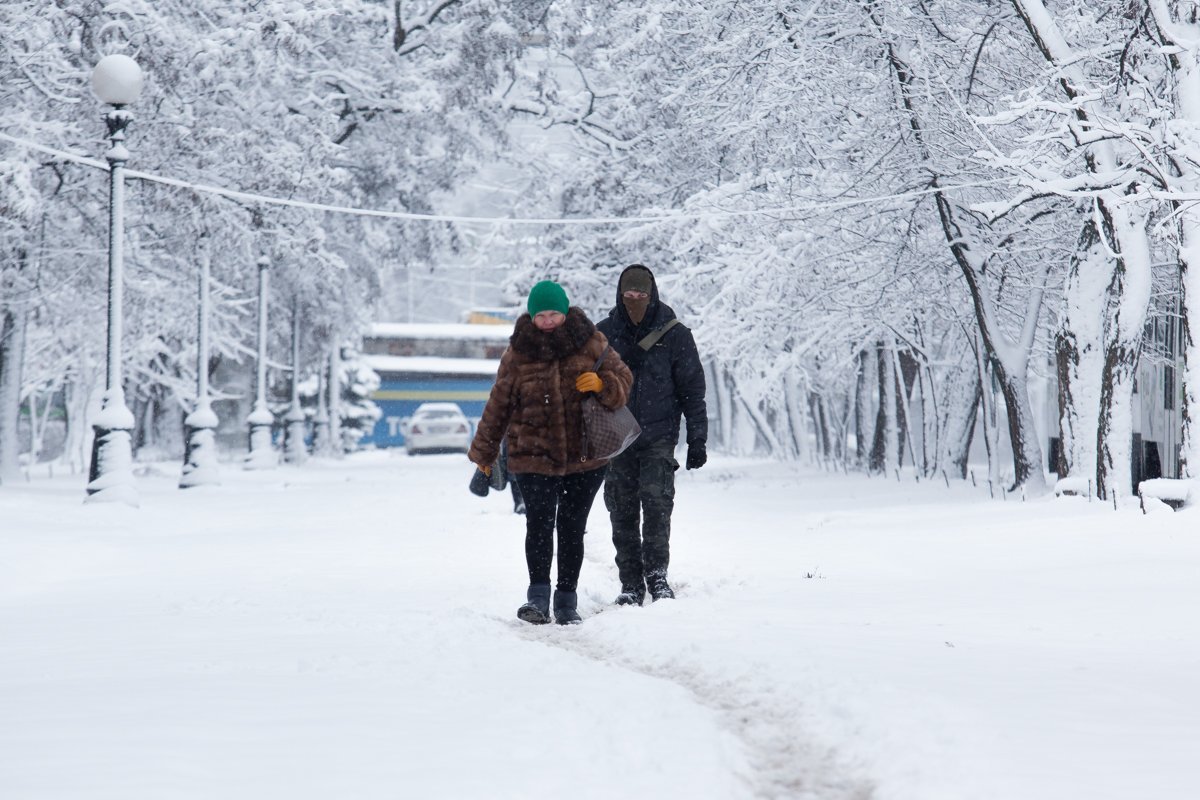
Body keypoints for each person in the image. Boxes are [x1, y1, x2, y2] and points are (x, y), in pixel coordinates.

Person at [469, 280, 633, 625]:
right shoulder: (518, 352)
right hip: (532, 454)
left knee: (572, 527)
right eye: (540, 314)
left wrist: (605, 385)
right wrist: (484, 453)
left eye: (553, 314)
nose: (547, 321)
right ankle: (538, 598)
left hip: (584, 456)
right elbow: (498, 404)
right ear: (531, 315)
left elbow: (624, 379)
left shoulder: (590, 342)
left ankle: (566, 601)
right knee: (539, 526)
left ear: (565, 312)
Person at [597, 264, 707, 605]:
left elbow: (692, 389)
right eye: (628, 295)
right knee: (622, 510)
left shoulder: (675, 335)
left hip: (659, 436)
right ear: (620, 294)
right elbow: (583, 389)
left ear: (652, 294)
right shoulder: (603, 335)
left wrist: (697, 438)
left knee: (658, 506)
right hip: (617, 437)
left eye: (641, 295)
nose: (634, 301)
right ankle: (630, 583)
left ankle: (658, 576)